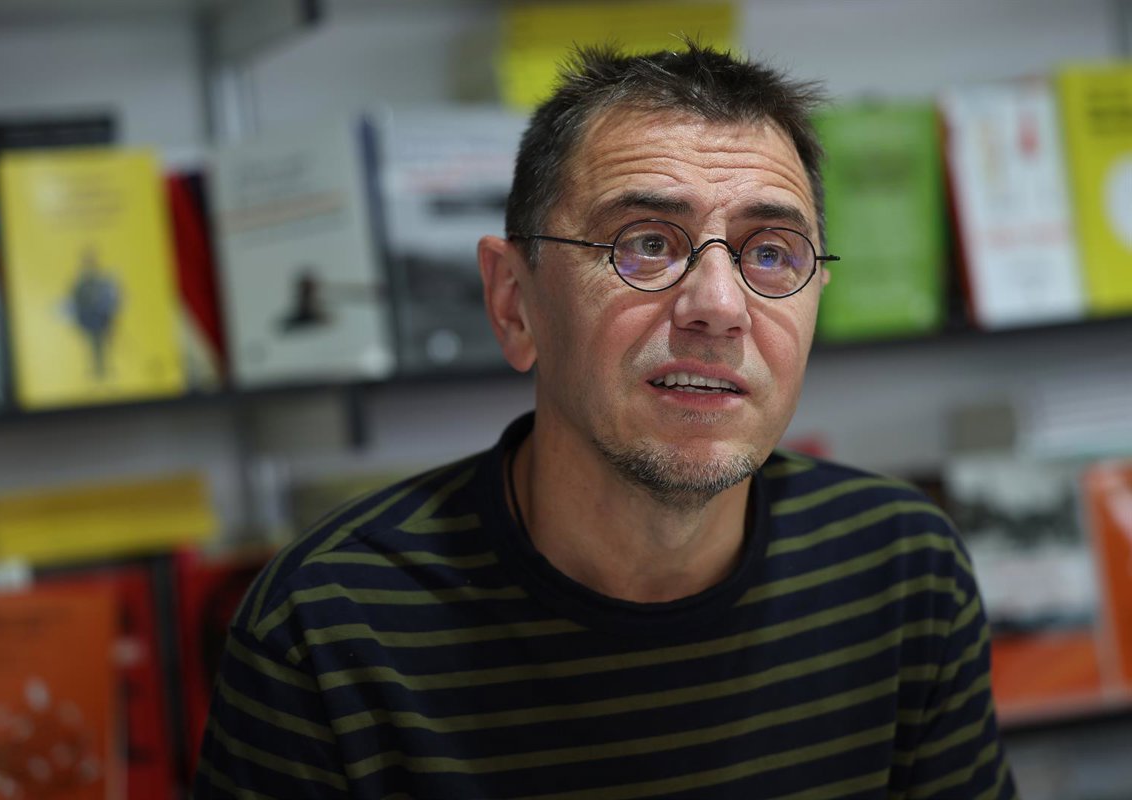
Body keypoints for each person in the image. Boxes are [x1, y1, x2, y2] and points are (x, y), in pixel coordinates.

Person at [193, 43, 1017, 799]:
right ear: (514, 303)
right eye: (646, 243)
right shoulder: (323, 630)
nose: (720, 306)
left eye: (771, 254)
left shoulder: (904, 571)